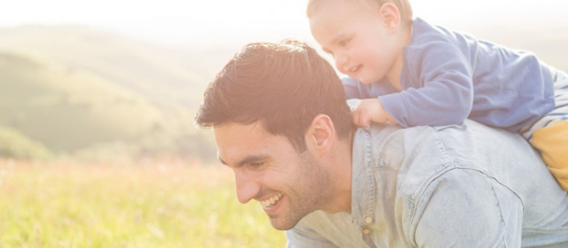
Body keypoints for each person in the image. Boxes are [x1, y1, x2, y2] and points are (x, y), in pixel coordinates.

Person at [196, 40, 568, 247]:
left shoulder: (441, 183)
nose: (243, 194)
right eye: (233, 167)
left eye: (256, 164)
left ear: (321, 135)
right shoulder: (306, 193)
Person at [306, 0, 568, 191]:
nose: (340, 60)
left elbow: (454, 98)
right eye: (330, 51)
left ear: (388, 19)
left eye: (345, 42)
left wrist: (385, 108)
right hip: (512, 119)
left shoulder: (432, 47)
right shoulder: (375, 69)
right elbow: (345, 93)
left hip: (540, 98)